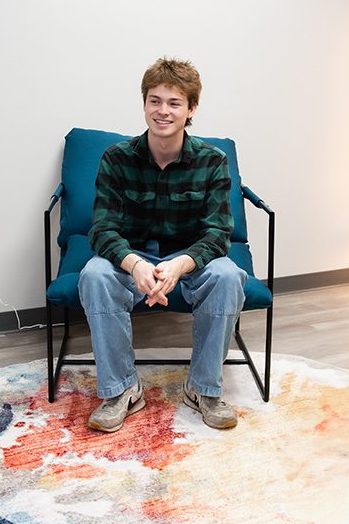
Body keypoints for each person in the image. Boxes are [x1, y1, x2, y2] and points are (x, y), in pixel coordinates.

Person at [79, 57, 246, 433]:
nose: (163, 111)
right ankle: (122, 391)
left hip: (189, 260)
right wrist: (135, 264)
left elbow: (218, 233)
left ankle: (203, 389)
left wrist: (180, 264)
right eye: (155, 101)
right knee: (94, 274)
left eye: (174, 103)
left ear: (191, 109)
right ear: (144, 104)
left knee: (228, 275)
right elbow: (102, 229)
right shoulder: (116, 158)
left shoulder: (212, 161)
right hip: (133, 258)